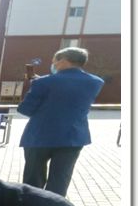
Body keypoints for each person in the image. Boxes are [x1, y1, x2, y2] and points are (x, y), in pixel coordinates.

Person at [18, 46, 104, 197]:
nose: (54, 65)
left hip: (39, 137)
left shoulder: (43, 83)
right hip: (73, 137)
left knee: (33, 180)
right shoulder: (95, 82)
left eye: (55, 62)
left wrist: (34, 86)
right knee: (60, 180)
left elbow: (26, 110)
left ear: (63, 60)